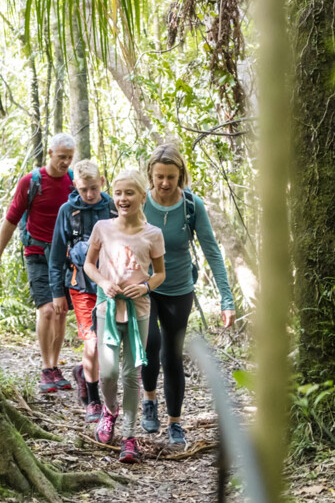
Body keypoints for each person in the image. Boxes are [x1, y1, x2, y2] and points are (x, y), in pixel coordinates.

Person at [139, 143, 236, 451]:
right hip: (144, 287)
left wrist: (226, 298)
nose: (165, 183)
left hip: (179, 288)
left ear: (180, 176)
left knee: (172, 355)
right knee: (150, 343)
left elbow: (212, 252)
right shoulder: (139, 202)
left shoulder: (191, 206)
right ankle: (149, 400)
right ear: (150, 175)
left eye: (171, 177)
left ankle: (175, 422)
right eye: (159, 177)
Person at [84, 169, 166, 464]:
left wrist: (144, 287)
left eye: (129, 193)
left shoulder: (152, 234)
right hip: (107, 308)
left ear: (143, 197)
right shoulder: (102, 228)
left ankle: (129, 436)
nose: (122, 199)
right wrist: (103, 282)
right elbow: (89, 265)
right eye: (118, 193)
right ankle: (109, 411)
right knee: (108, 373)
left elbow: (160, 274)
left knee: (132, 375)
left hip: (139, 313)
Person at [0, 133, 76, 393]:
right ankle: (45, 368)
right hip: (37, 253)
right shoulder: (31, 182)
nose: (65, 162)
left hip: (64, 256)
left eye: (69, 158)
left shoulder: (73, 182)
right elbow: (10, 219)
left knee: (61, 311)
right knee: (47, 310)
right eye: (61, 157)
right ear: (50, 154)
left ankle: (55, 367)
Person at [48, 160, 116, 422]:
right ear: (75, 185)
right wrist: (57, 293)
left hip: (110, 286)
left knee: (108, 343)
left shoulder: (112, 206)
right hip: (80, 287)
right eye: (84, 188)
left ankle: (84, 373)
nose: (89, 194)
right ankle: (93, 401)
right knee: (92, 342)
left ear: (102, 181)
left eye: (93, 188)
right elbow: (56, 256)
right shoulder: (67, 211)